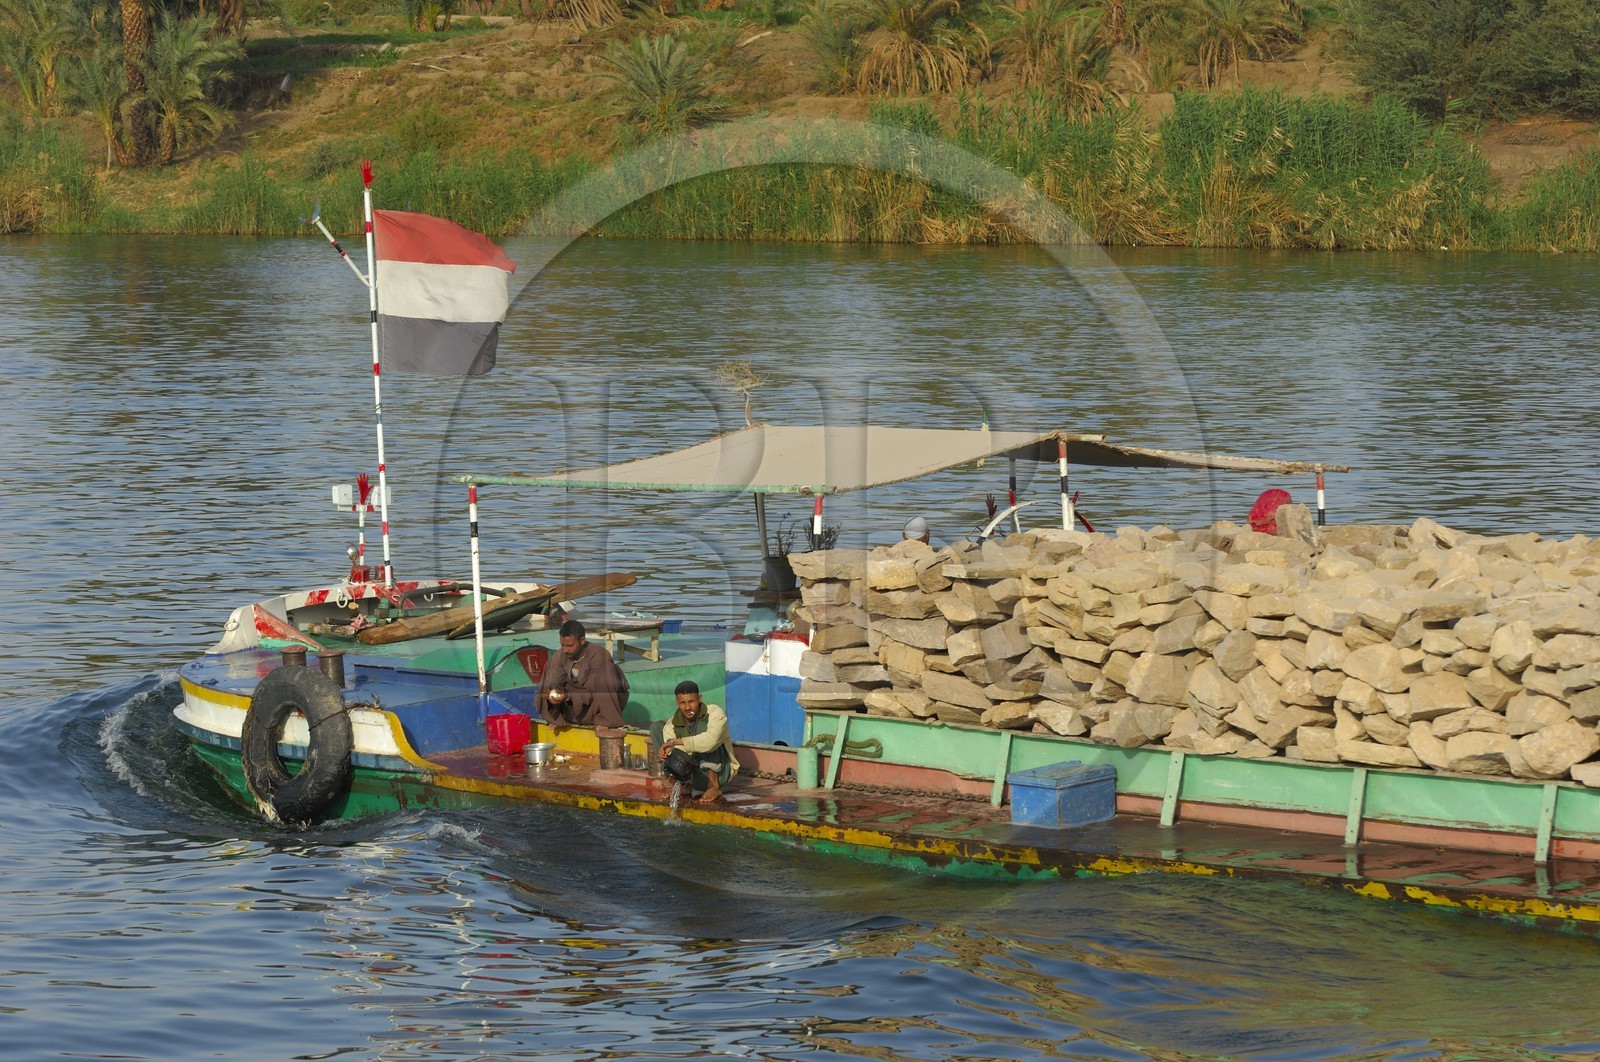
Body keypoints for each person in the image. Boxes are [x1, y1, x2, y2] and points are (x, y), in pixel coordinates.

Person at [536, 619, 630, 729]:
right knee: (549, 666)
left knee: (608, 669)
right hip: (574, 710)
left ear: (582, 641)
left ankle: (605, 721)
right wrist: (553, 693)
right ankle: (558, 718)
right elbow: (557, 684)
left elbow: (591, 692)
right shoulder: (560, 655)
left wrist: (567, 696)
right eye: (562, 645)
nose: (565, 650)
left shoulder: (598, 654)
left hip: (595, 708)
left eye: (570, 646)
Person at [658, 680, 738, 804]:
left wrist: (677, 742)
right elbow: (675, 750)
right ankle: (682, 785)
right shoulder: (672, 724)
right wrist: (668, 752)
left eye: (691, 701)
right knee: (656, 727)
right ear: (677, 703)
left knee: (703, 731)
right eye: (682, 703)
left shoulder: (715, 713)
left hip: (720, 773)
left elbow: (711, 741)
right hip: (694, 775)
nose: (687, 707)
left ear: (699, 699)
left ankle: (713, 786)